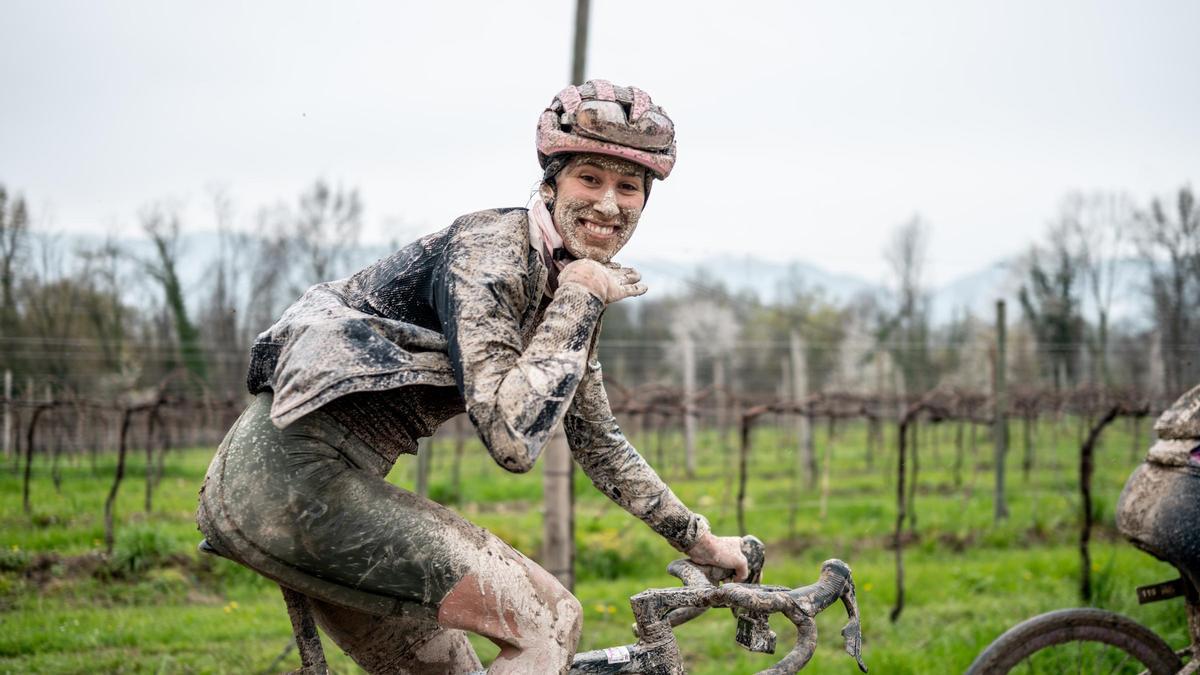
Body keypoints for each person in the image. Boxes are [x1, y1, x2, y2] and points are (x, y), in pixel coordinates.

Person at [196, 79, 748, 674]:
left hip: (313, 489)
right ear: (550, 180)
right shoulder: (492, 254)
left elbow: (598, 441)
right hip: (290, 483)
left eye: (629, 187)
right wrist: (583, 296)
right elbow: (512, 439)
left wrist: (699, 540)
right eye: (589, 178)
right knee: (548, 620)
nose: (609, 205)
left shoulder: (559, 280)